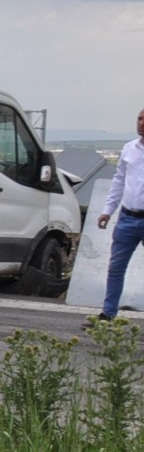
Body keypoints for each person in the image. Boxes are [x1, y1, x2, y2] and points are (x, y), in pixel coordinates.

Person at [97, 106, 144, 319]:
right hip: (127, 217)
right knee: (116, 267)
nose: (141, 123)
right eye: (139, 118)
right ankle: (108, 314)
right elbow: (119, 181)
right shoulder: (129, 149)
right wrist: (108, 210)